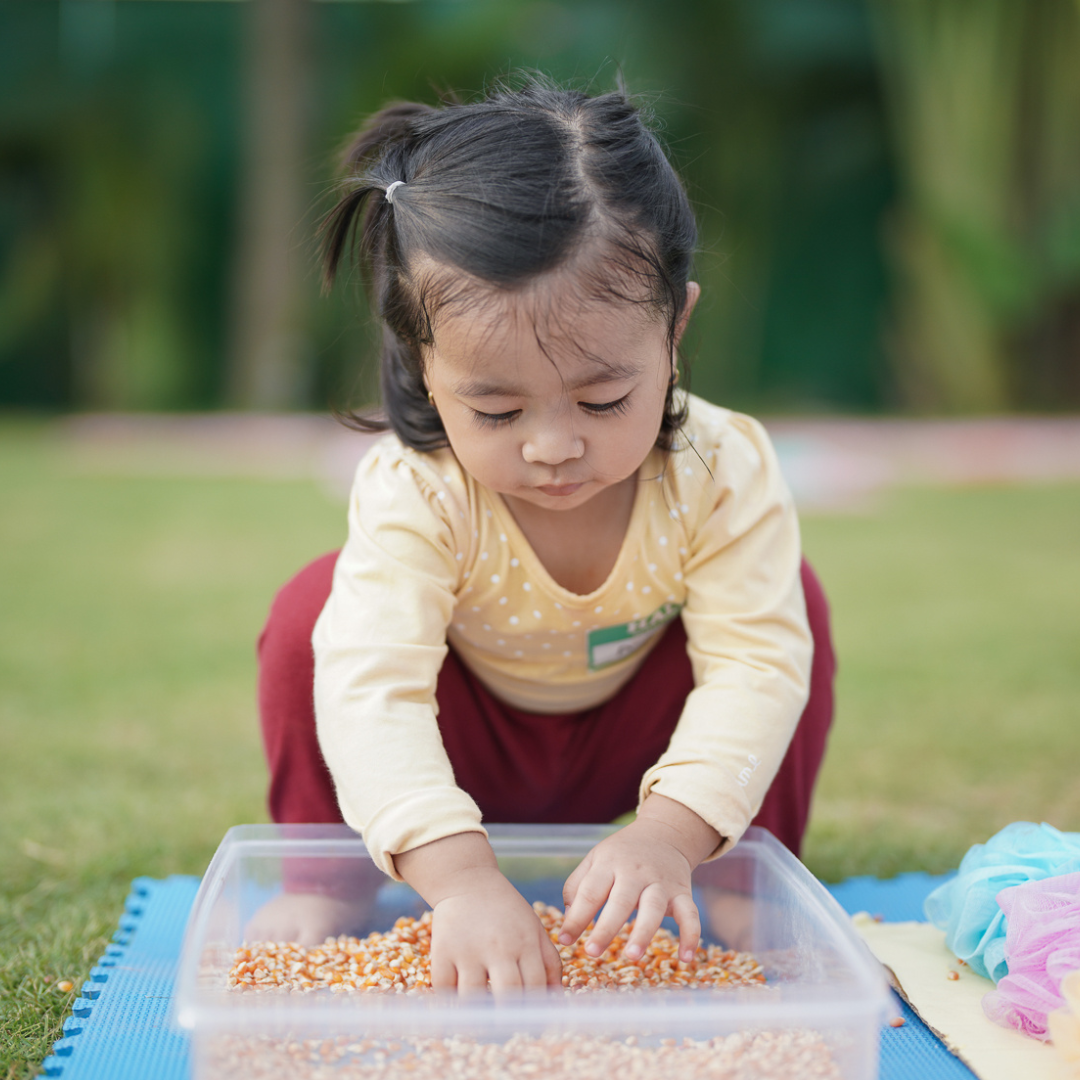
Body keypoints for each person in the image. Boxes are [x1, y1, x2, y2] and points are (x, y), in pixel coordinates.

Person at [255, 80, 836, 993]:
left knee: (792, 604)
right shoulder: (420, 488)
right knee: (309, 616)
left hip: (640, 744)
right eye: (496, 408)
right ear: (424, 364)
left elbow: (756, 668)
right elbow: (374, 690)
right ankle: (326, 879)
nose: (554, 446)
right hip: (468, 739)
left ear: (675, 329)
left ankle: (735, 882)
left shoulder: (723, 469)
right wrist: (457, 882)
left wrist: (668, 836)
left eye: (605, 400)